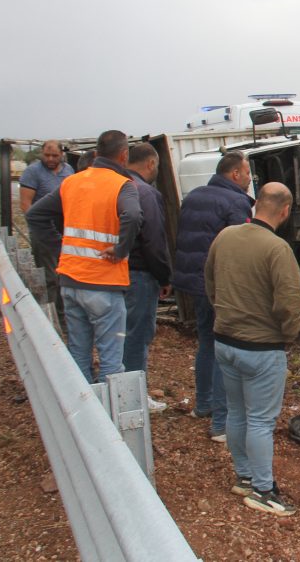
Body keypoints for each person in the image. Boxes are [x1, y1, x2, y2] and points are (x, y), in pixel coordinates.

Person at [206, 183, 300, 517]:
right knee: (261, 421)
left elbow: (210, 283)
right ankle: (263, 490)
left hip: (225, 342)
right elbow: (289, 302)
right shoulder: (277, 249)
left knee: (237, 412)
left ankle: (244, 476)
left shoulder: (225, 236)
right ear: (285, 211)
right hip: (262, 348)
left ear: (257, 203)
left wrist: (224, 315)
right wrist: (289, 335)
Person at [26, 130, 143, 383]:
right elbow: (133, 216)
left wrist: (61, 248)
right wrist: (122, 249)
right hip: (104, 283)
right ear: (124, 155)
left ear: (98, 153)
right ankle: (107, 418)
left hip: (70, 281)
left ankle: (81, 409)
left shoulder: (71, 182)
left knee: (79, 353)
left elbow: (34, 214)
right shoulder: (122, 185)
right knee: (111, 360)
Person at [173, 151, 254, 441]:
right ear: (234, 174)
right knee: (226, 351)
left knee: (207, 342)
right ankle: (221, 424)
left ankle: (203, 405)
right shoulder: (236, 202)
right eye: (247, 173)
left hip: (196, 284)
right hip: (220, 287)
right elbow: (241, 247)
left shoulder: (194, 196)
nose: (249, 178)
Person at [122, 143, 172, 413]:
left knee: (117, 335)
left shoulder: (115, 186)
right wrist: (164, 276)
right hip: (139, 275)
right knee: (137, 336)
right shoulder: (145, 192)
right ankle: (133, 399)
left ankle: (115, 391)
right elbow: (154, 241)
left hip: (112, 273)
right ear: (151, 163)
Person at [20, 140, 74, 307]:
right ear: (41, 154)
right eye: (47, 155)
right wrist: (36, 230)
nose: (50, 159)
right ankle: (51, 312)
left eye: (54, 156)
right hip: (43, 229)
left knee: (65, 272)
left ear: (62, 155)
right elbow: (26, 204)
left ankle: (64, 309)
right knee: (50, 275)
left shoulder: (69, 171)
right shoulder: (32, 172)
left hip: (64, 229)